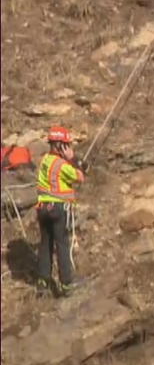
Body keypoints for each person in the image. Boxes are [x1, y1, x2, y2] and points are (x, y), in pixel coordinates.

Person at [35, 126, 85, 296]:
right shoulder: (62, 164)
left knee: (45, 244)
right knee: (62, 244)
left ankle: (43, 282)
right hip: (58, 209)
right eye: (66, 145)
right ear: (60, 146)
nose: (69, 148)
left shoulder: (44, 160)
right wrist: (72, 158)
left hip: (42, 208)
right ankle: (66, 284)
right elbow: (80, 176)